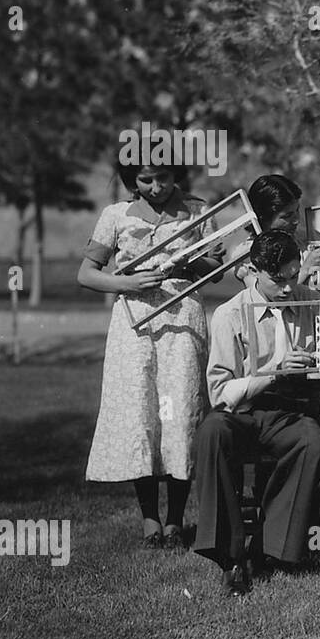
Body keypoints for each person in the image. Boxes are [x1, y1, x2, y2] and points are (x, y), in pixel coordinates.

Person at [192, 230, 320, 595]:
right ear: (255, 270)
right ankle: (230, 556)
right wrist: (271, 368)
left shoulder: (310, 300)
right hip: (240, 411)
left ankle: (270, 549)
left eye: (293, 275)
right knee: (211, 433)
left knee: (312, 443)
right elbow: (220, 394)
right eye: (279, 279)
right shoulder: (230, 314)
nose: (289, 287)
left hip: (288, 412)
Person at [79, 161, 224, 549]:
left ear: (176, 175)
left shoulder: (198, 210)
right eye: (145, 180)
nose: (156, 187)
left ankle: (176, 519)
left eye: (163, 177)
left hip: (183, 321)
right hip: (134, 324)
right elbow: (87, 273)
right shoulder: (116, 215)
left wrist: (189, 261)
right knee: (141, 414)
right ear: (132, 181)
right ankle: (149, 518)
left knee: (180, 413)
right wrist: (125, 281)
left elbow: (217, 268)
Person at [232, 173, 320, 295]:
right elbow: (265, 297)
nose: (296, 220)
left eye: (297, 211)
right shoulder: (247, 253)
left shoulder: (307, 238)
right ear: (263, 217)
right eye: (287, 216)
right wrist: (306, 268)